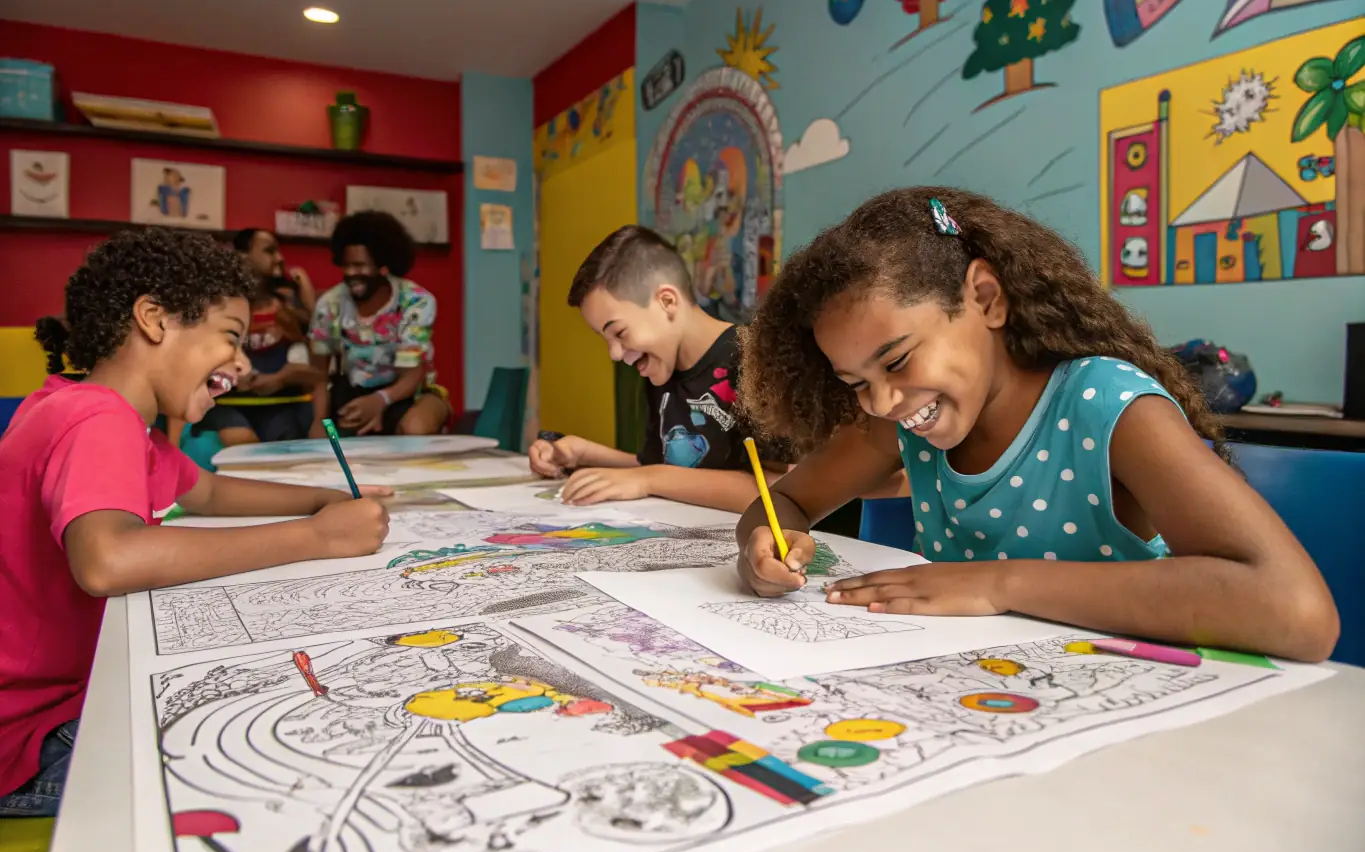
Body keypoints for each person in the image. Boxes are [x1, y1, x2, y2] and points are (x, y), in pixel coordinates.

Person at [733, 187, 1339, 662]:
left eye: (896, 360)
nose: (882, 400)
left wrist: (1002, 585)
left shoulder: (1109, 408)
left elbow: (1298, 611)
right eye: (856, 383)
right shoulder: (902, 420)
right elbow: (783, 498)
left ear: (987, 298)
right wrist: (764, 543)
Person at [0, 227, 391, 818]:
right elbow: (107, 560)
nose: (239, 360)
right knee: (261, 749)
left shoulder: (100, 415)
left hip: (49, 708)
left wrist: (321, 501)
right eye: (230, 338)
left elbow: (207, 491)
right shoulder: (96, 421)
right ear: (153, 320)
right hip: (28, 741)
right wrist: (317, 538)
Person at [530, 225, 781, 513]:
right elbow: (660, 468)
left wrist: (647, 479)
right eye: (605, 339)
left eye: (620, 333)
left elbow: (778, 490)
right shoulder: (659, 366)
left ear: (667, 302)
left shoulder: (757, 360)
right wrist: (582, 454)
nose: (614, 354)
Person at [308, 211, 450, 438]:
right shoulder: (330, 304)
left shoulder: (415, 301)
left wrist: (381, 400)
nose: (351, 273)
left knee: (414, 429)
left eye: (360, 265)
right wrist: (319, 423)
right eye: (346, 265)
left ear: (384, 265)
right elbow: (319, 374)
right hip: (353, 395)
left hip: (412, 394)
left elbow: (413, 373)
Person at [191, 228, 321, 446]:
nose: (279, 259)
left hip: (281, 406)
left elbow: (318, 374)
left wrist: (281, 378)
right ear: (242, 256)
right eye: (269, 251)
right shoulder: (217, 306)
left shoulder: (290, 309)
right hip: (227, 405)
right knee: (241, 439)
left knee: (286, 442)